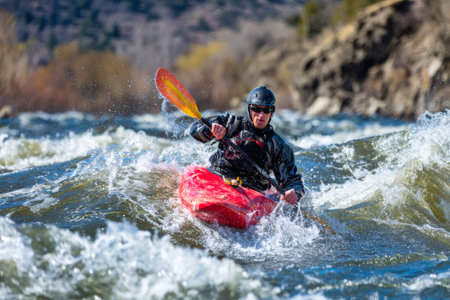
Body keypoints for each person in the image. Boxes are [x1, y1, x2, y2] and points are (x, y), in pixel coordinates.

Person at [189, 86, 305, 205]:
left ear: (272, 112)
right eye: (256, 109)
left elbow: (294, 182)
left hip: (250, 192)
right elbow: (194, 130)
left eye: (266, 110)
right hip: (218, 175)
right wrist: (211, 130)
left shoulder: (278, 146)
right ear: (249, 109)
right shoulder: (231, 123)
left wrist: (294, 192)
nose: (261, 115)